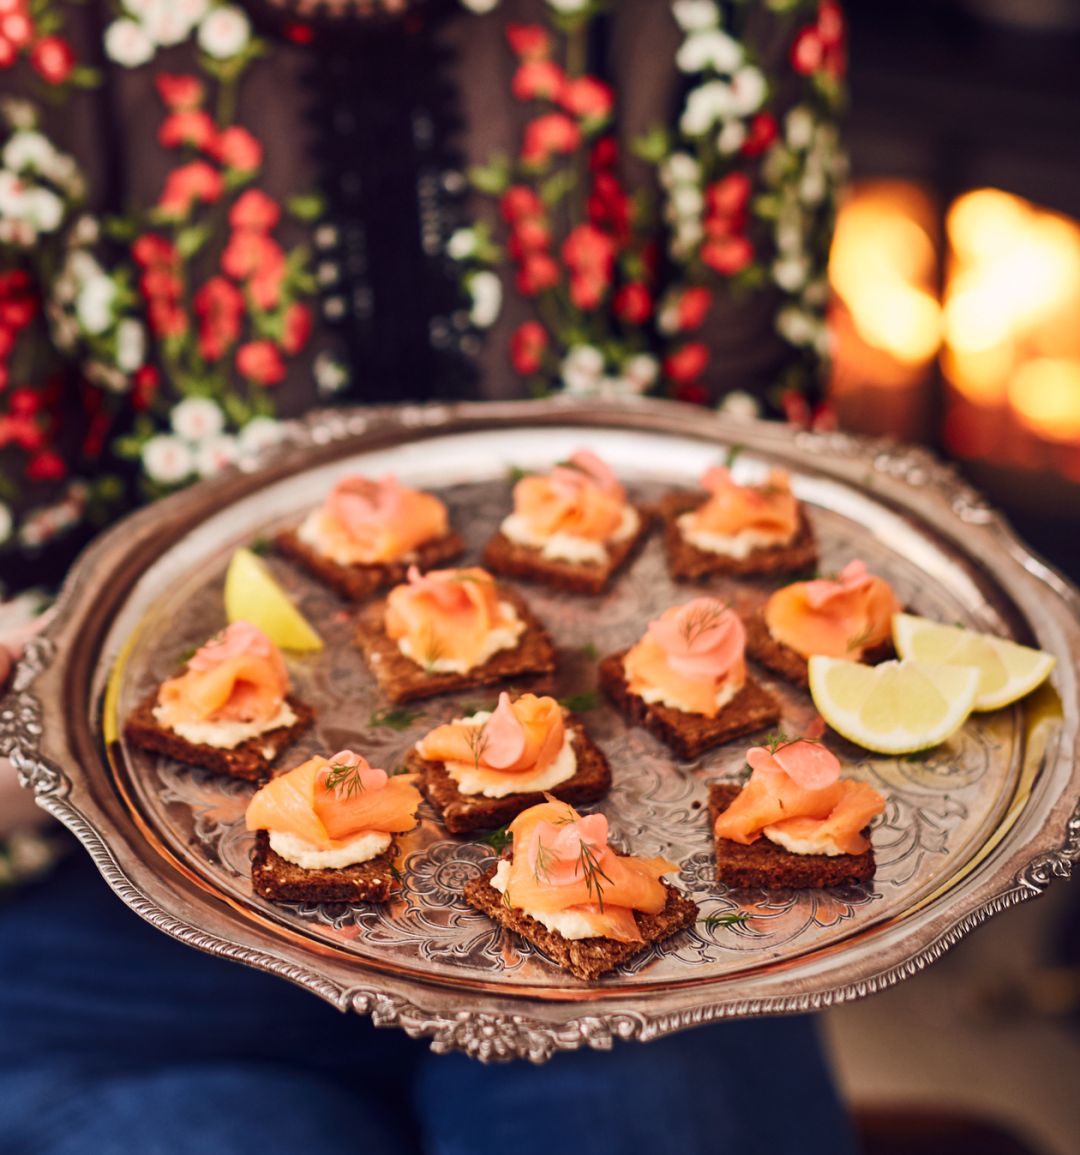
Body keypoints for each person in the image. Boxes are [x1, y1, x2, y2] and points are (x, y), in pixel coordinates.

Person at [0, 2, 856, 1151]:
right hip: (103, 926)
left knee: (631, 1125)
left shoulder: (733, 19)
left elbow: (762, 519)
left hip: (635, 861)